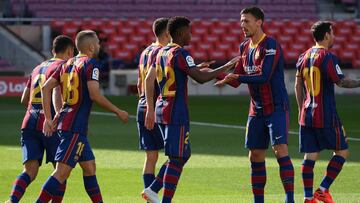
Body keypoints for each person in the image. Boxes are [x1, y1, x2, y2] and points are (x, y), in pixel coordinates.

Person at [142, 16, 239, 203]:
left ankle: (153, 189)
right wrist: (227, 65)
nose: (191, 35)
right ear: (179, 33)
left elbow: (156, 77)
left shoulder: (160, 52)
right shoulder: (180, 53)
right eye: (188, 31)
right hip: (176, 111)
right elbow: (200, 79)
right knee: (178, 157)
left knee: (181, 155)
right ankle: (162, 197)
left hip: (163, 108)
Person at [36, 30, 129, 203]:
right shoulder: (91, 64)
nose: (100, 46)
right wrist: (118, 111)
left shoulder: (66, 64)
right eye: (99, 44)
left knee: (89, 167)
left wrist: (50, 118)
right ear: (92, 47)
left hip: (70, 124)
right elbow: (95, 95)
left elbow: (46, 88)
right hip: (74, 127)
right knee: (61, 172)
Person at [215, 7, 295, 203]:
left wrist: (237, 76)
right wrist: (213, 73)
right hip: (256, 109)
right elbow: (236, 81)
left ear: (259, 22)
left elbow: (265, 76)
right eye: (241, 21)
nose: (242, 25)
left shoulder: (271, 45)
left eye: (246, 21)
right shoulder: (244, 47)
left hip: (275, 106)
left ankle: (290, 198)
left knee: (280, 150)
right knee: (255, 155)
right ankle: (258, 200)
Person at [295, 21, 360, 203]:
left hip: (307, 115)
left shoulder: (303, 56)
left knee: (310, 155)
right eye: (332, 33)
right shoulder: (327, 57)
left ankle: (308, 198)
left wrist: (302, 109)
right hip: (326, 115)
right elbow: (342, 82)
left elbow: (297, 85)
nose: (334, 37)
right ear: (326, 35)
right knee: (342, 151)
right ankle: (322, 190)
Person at [4, 35, 74, 203]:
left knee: (30, 171)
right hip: (51, 123)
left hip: (29, 121)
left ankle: (12, 200)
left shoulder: (37, 68)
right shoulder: (64, 66)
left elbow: (23, 99)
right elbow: (57, 92)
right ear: (70, 51)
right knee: (61, 172)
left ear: (52, 51)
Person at [136, 17, 171, 200]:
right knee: (177, 154)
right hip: (156, 108)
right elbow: (150, 81)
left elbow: (139, 83)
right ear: (167, 33)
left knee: (151, 156)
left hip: (141, 105)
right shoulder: (162, 52)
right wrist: (151, 108)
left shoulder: (145, 52)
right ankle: (153, 190)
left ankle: (149, 194)